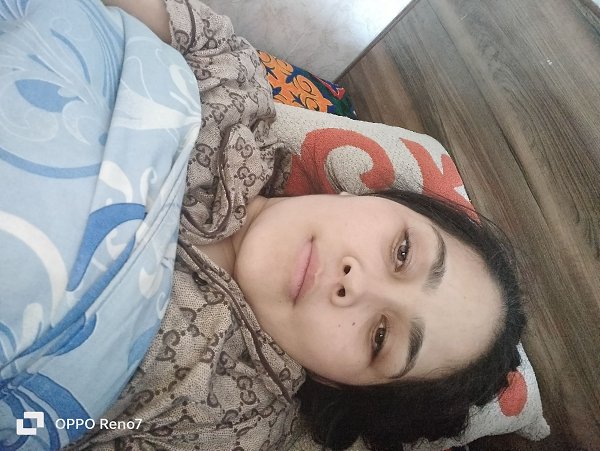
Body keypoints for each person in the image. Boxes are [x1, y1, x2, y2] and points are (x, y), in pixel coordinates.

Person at [0, 1, 525, 449]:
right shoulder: (234, 88)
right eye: (403, 253)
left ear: (337, 383)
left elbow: (53, 429)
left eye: (380, 336)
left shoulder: (225, 421)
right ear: (369, 195)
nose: (355, 284)